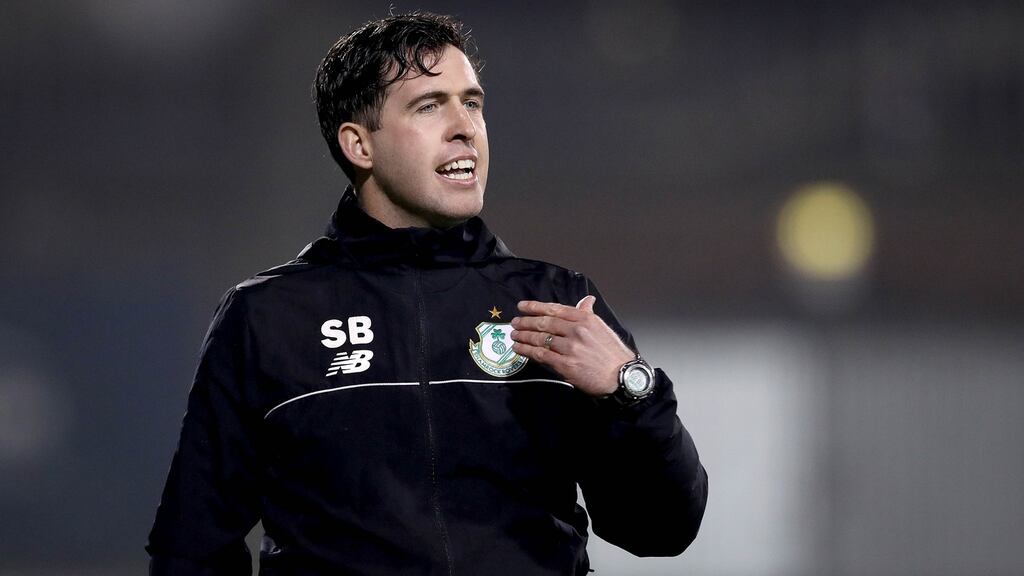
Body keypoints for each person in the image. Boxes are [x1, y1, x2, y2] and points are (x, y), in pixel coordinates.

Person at [147, 11, 707, 576]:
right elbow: (193, 547)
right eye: (429, 105)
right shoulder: (268, 316)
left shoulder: (557, 303)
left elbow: (660, 531)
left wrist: (630, 391)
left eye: (472, 103)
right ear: (359, 146)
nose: (465, 126)